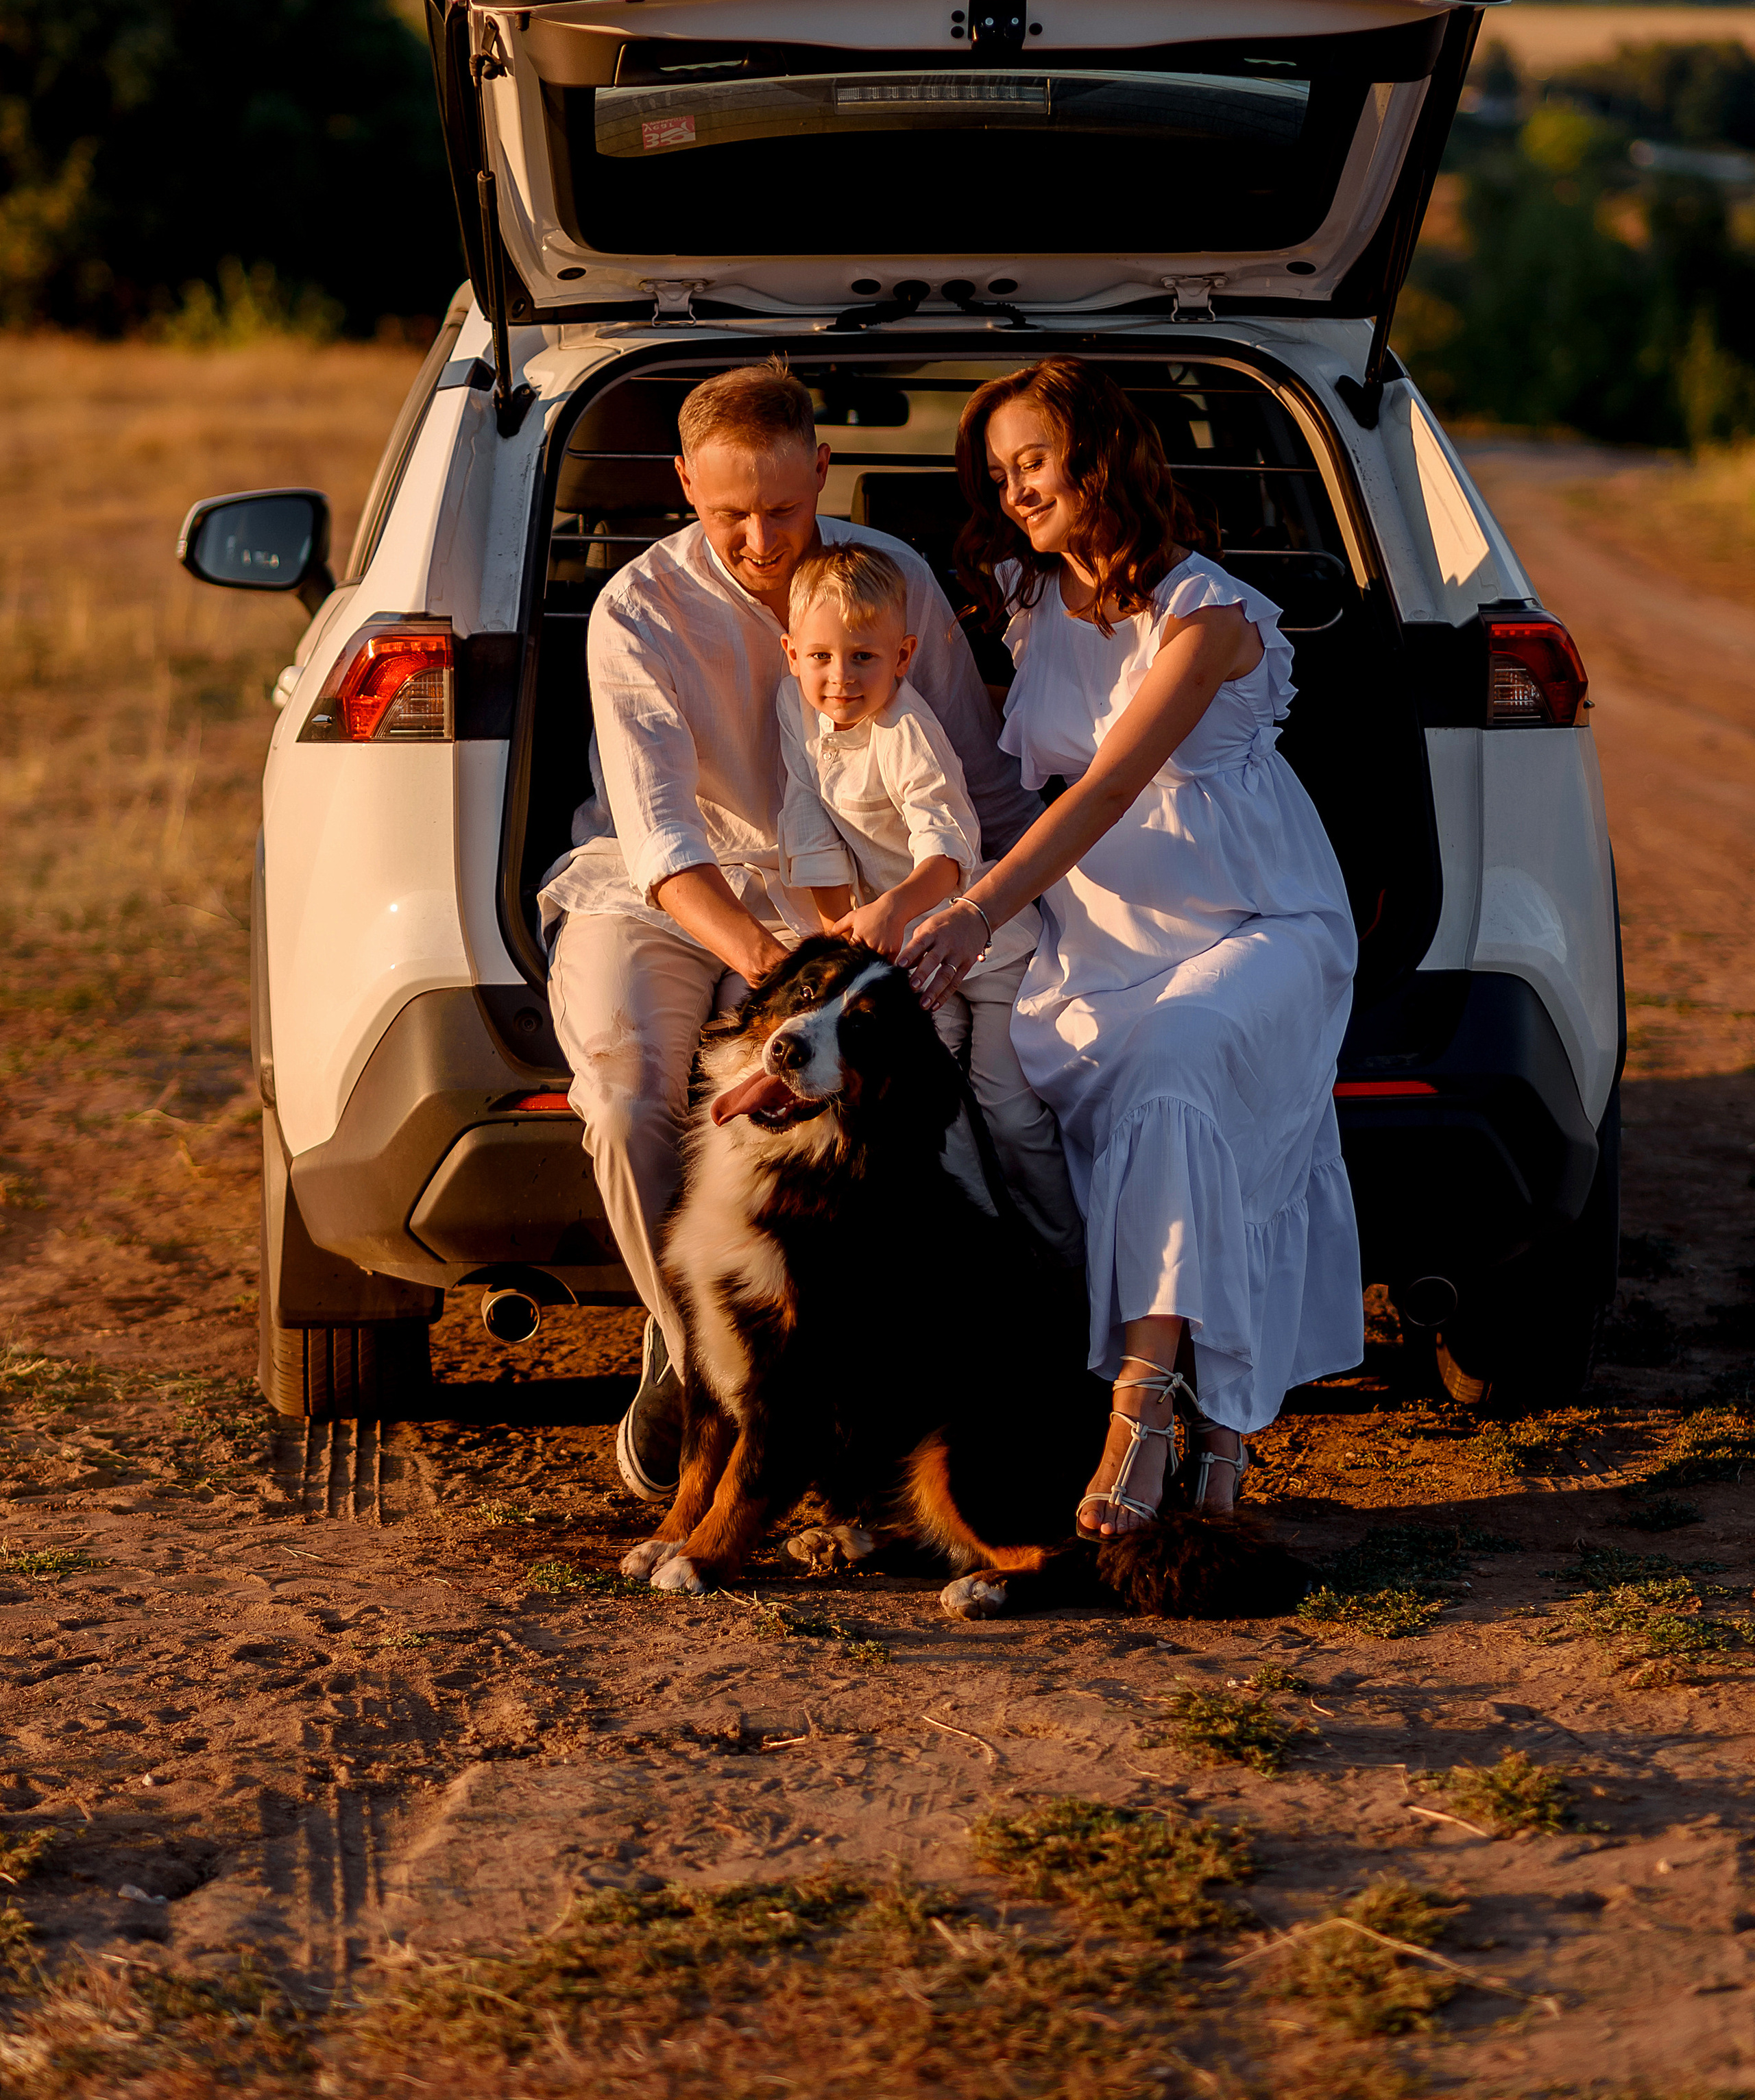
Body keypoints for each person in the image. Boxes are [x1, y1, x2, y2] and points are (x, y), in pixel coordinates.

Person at [539, 361, 1063, 1503]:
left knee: (975, 1105)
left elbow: (974, 779)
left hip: (857, 901)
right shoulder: (638, 609)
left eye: (783, 508)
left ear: (823, 470)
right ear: (683, 482)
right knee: (631, 1090)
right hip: (667, 896)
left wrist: (1016, 916)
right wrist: (783, 974)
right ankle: (698, 1366)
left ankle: (963, 1367)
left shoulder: (896, 582)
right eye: (728, 512)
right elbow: (661, 838)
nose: (760, 537)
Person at [900, 358, 1362, 1524]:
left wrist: (975, 910)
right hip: (1098, 938)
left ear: (1101, 453)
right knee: (1135, 1092)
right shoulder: (1017, 590)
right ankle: (1219, 1432)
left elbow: (1107, 789)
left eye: (1034, 461)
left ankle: (1141, 1411)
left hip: (1257, 923)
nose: (1013, 491)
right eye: (997, 473)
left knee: (1175, 1067)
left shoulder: (1209, 616)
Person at [775, 540, 1082, 1262]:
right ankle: (979, 1261)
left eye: (863, 657)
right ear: (791, 653)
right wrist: (835, 931)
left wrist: (891, 907)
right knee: (927, 1114)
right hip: (908, 969)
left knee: (1008, 1115)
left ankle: (1072, 1264)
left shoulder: (904, 731)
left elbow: (948, 849)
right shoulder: (793, 708)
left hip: (987, 953)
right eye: (820, 657)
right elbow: (805, 813)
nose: (840, 678)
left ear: (904, 655)